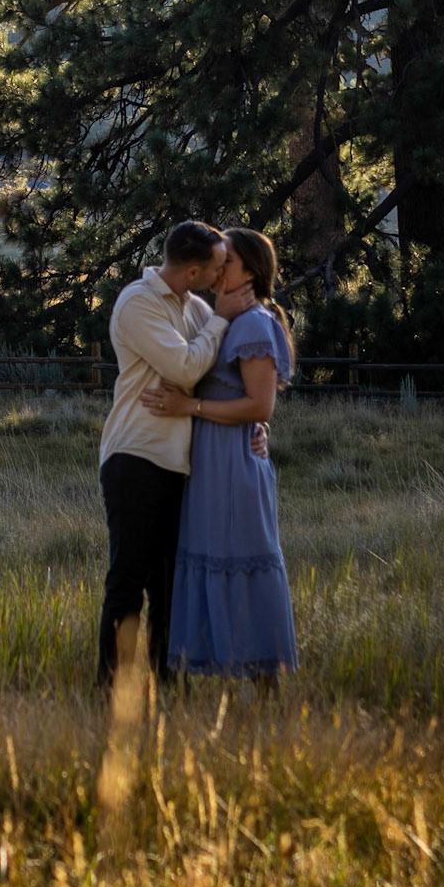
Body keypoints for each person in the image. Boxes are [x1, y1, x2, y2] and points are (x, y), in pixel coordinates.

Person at [97, 219, 260, 689]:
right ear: (192, 271)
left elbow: (218, 376)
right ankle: (111, 690)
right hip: (136, 456)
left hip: (179, 465)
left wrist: (257, 421)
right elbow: (185, 367)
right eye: (216, 268)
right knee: (128, 579)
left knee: (170, 586)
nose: (221, 276)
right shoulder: (138, 303)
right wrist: (222, 318)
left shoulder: (192, 310)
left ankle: (169, 688)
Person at [142, 226, 298, 680]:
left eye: (225, 262)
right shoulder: (225, 318)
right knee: (211, 560)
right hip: (210, 461)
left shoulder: (253, 323)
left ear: (249, 270)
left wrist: (189, 406)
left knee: (240, 560)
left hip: (232, 462)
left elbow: (260, 404)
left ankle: (262, 677)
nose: (216, 270)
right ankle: (221, 670)